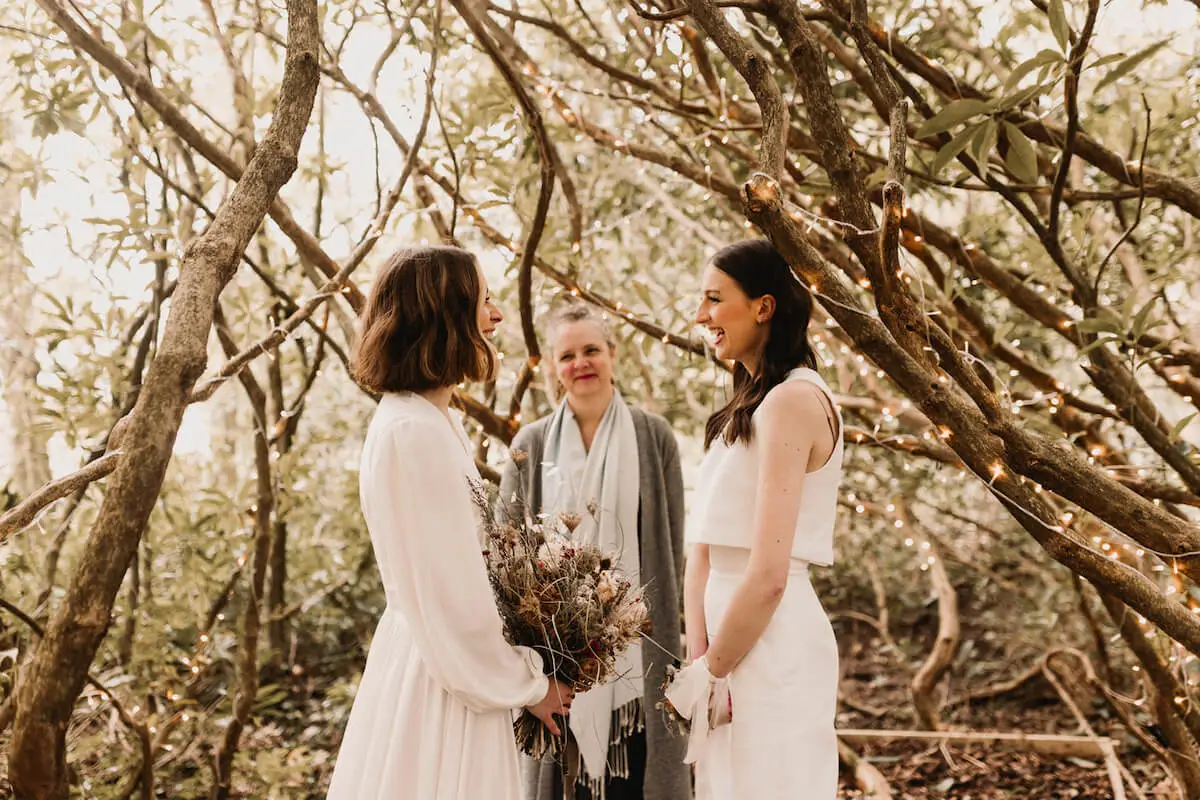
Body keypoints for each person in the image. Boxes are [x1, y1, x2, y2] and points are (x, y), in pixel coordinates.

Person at [327, 246, 573, 800]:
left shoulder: (431, 420)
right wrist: (528, 684)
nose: (497, 316)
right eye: (484, 300)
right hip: (442, 678)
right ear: (445, 315)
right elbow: (450, 593)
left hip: (444, 662)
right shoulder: (412, 432)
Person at [668, 238, 843, 798]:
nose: (702, 316)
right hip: (723, 644)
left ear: (764, 306)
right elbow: (703, 549)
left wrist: (712, 669)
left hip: (771, 641)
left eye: (715, 299)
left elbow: (768, 575)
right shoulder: (746, 405)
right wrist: (700, 662)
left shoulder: (794, 401)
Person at [499, 303, 691, 800]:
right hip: (556, 652)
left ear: (612, 355)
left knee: (639, 775)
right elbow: (507, 552)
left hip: (638, 644)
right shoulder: (532, 442)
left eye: (591, 350)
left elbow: (671, 547)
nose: (581, 363)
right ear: (552, 368)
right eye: (567, 355)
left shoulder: (654, 437)